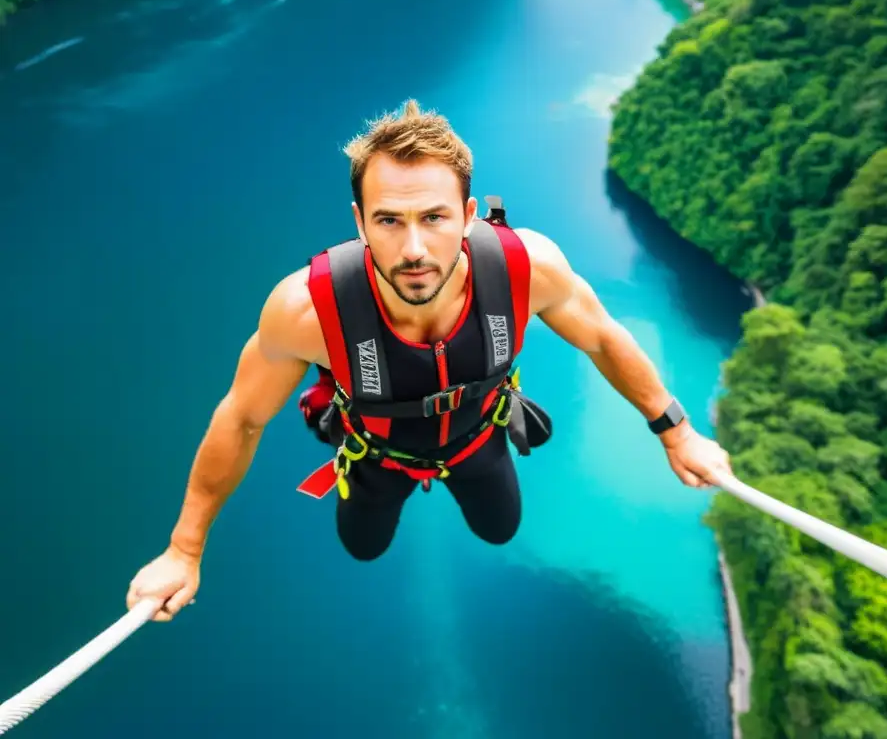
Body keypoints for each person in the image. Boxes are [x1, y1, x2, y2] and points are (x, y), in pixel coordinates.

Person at [126, 99, 734, 622]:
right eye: (389, 220)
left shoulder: (528, 270)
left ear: (468, 217)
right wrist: (184, 550)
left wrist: (675, 432)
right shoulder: (307, 310)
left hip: (478, 440)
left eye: (435, 218)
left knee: (501, 527)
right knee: (363, 545)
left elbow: (602, 336)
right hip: (376, 456)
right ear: (360, 222)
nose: (414, 249)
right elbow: (241, 418)